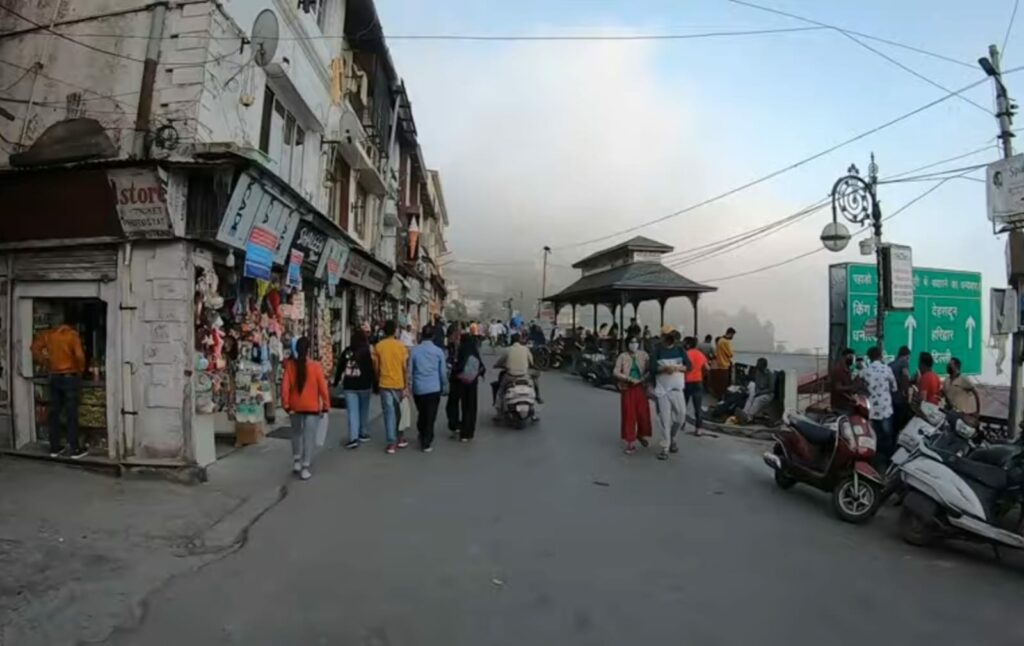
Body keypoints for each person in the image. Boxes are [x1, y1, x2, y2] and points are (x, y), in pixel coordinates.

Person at [31, 315, 87, 459]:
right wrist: (80, 370)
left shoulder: (48, 335)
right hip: (70, 376)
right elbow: (80, 356)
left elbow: (34, 348)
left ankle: (54, 447)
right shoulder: (72, 335)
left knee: (54, 413)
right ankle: (74, 449)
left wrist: (45, 362)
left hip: (54, 377)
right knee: (71, 413)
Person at [281, 337, 330, 480]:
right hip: (311, 408)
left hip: (295, 406)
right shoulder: (315, 366)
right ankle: (305, 467)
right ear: (309, 349)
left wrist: (286, 404)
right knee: (309, 437)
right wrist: (326, 405)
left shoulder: (290, 366)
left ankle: (296, 460)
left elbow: (285, 387)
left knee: (296, 433)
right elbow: (323, 388)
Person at [650, 325, 692, 460]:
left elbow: (689, 366)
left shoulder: (680, 349)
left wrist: (678, 368)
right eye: (666, 336)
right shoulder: (657, 350)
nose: (668, 339)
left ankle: (673, 437)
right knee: (664, 419)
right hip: (663, 391)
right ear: (662, 337)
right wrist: (663, 369)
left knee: (681, 416)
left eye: (671, 336)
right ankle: (665, 447)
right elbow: (652, 368)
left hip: (677, 389)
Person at [409, 324, 448, 452]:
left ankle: (422, 431)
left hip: (418, 388)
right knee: (430, 415)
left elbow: (409, 371)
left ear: (422, 335)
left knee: (422, 412)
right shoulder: (438, 352)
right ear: (433, 336)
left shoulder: (414, 351)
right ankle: (427, 441)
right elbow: (442, 372)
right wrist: (445, 385)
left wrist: (408, 386)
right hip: (433, 388)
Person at [375, 320, 410, 454]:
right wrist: (406, 386)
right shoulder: (401, 347)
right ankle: (400, 437)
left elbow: (376, 367)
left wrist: (378, 378)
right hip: (399, 383)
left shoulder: (379, 346)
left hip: (385, 383)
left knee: (388, 413)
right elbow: (404, 368)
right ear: (395, 331)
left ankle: (391, 443)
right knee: (399, 412)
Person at [337, 329, 376, 449]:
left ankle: (353, 437)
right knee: (363, 410)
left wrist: (336, 381)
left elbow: (340, 367)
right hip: (364, 385)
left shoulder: (347, 351)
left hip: (350, 385)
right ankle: (362, 433)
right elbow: (370, 369)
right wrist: (374, 383)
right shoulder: (366, 352)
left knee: (352, 412)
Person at [614, 336, 652, 454]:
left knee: (643, 414)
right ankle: (630, 441)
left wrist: (642, 379)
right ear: (627, 344)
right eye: (631, 342)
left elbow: (650, 370)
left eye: (635, 342)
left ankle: (641, 435)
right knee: (629, 414)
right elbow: (616, 372)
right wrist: (628, 378)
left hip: (641, 387)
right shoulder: (623, 356)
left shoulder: (644, 355)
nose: (633, 344)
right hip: (628, 388)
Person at [863, 346, 897, 462]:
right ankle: (888, 460)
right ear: (880, 356)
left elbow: (858, 386)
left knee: (875, 436)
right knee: (888, 436)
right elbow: (894, 388)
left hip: (872, 410)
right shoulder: (887, 369)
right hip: (886, 409)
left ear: (870, 357)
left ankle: (875, 460)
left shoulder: (866, 371)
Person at [493, 332, 540, 412]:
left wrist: (496, 366)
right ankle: (536, 401)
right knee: (532, 387)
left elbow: (499, 362)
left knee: (500, 391)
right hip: (524, 376)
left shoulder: (507, 350)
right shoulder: (525, 349)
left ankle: (498, 409)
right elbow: (531, 362)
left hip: (510, 376)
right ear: (519, 340)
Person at [451, 334, 486, 441]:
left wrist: (454, 373)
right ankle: (469, 432)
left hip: (462, 382)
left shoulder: (462, 349)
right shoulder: (474, 350)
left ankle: (463, 432)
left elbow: (460, 365)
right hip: (472, 383)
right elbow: (481, 366)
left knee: (464, 406)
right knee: (471, 407)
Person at [683, 337, 709, 435]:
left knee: (683, 406)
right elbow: (707, 367)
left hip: (687, 382)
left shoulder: (685, 354)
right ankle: (698, 429)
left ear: (688, 345)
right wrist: (701, 374)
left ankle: (681, 424)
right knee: (698, 407)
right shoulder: (700, 354)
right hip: (698, 382)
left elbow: (682, 367)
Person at [889, 345, 913, 429]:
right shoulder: (904, 362)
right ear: (906, 355)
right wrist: (906, 392)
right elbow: (905, 376)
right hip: (900, 398)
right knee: (901, 424)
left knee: (893, 424)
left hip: (891, 398)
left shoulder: (891, 364)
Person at [830, 348, 857, 414]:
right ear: (846, 356)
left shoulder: (847, 369)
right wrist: (852, 387)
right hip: (841, 405)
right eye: (851, 357)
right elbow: (838, 388)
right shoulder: (839, 369)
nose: (853, 360)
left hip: (847, 403)